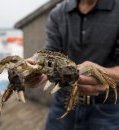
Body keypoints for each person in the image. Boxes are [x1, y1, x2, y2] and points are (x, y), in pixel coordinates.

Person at [26, 0, 119, 129]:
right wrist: (34, 71)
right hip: (62, 101)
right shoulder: (58, 13)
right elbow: (51, 51)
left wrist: (107, 76)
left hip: (106, 108)